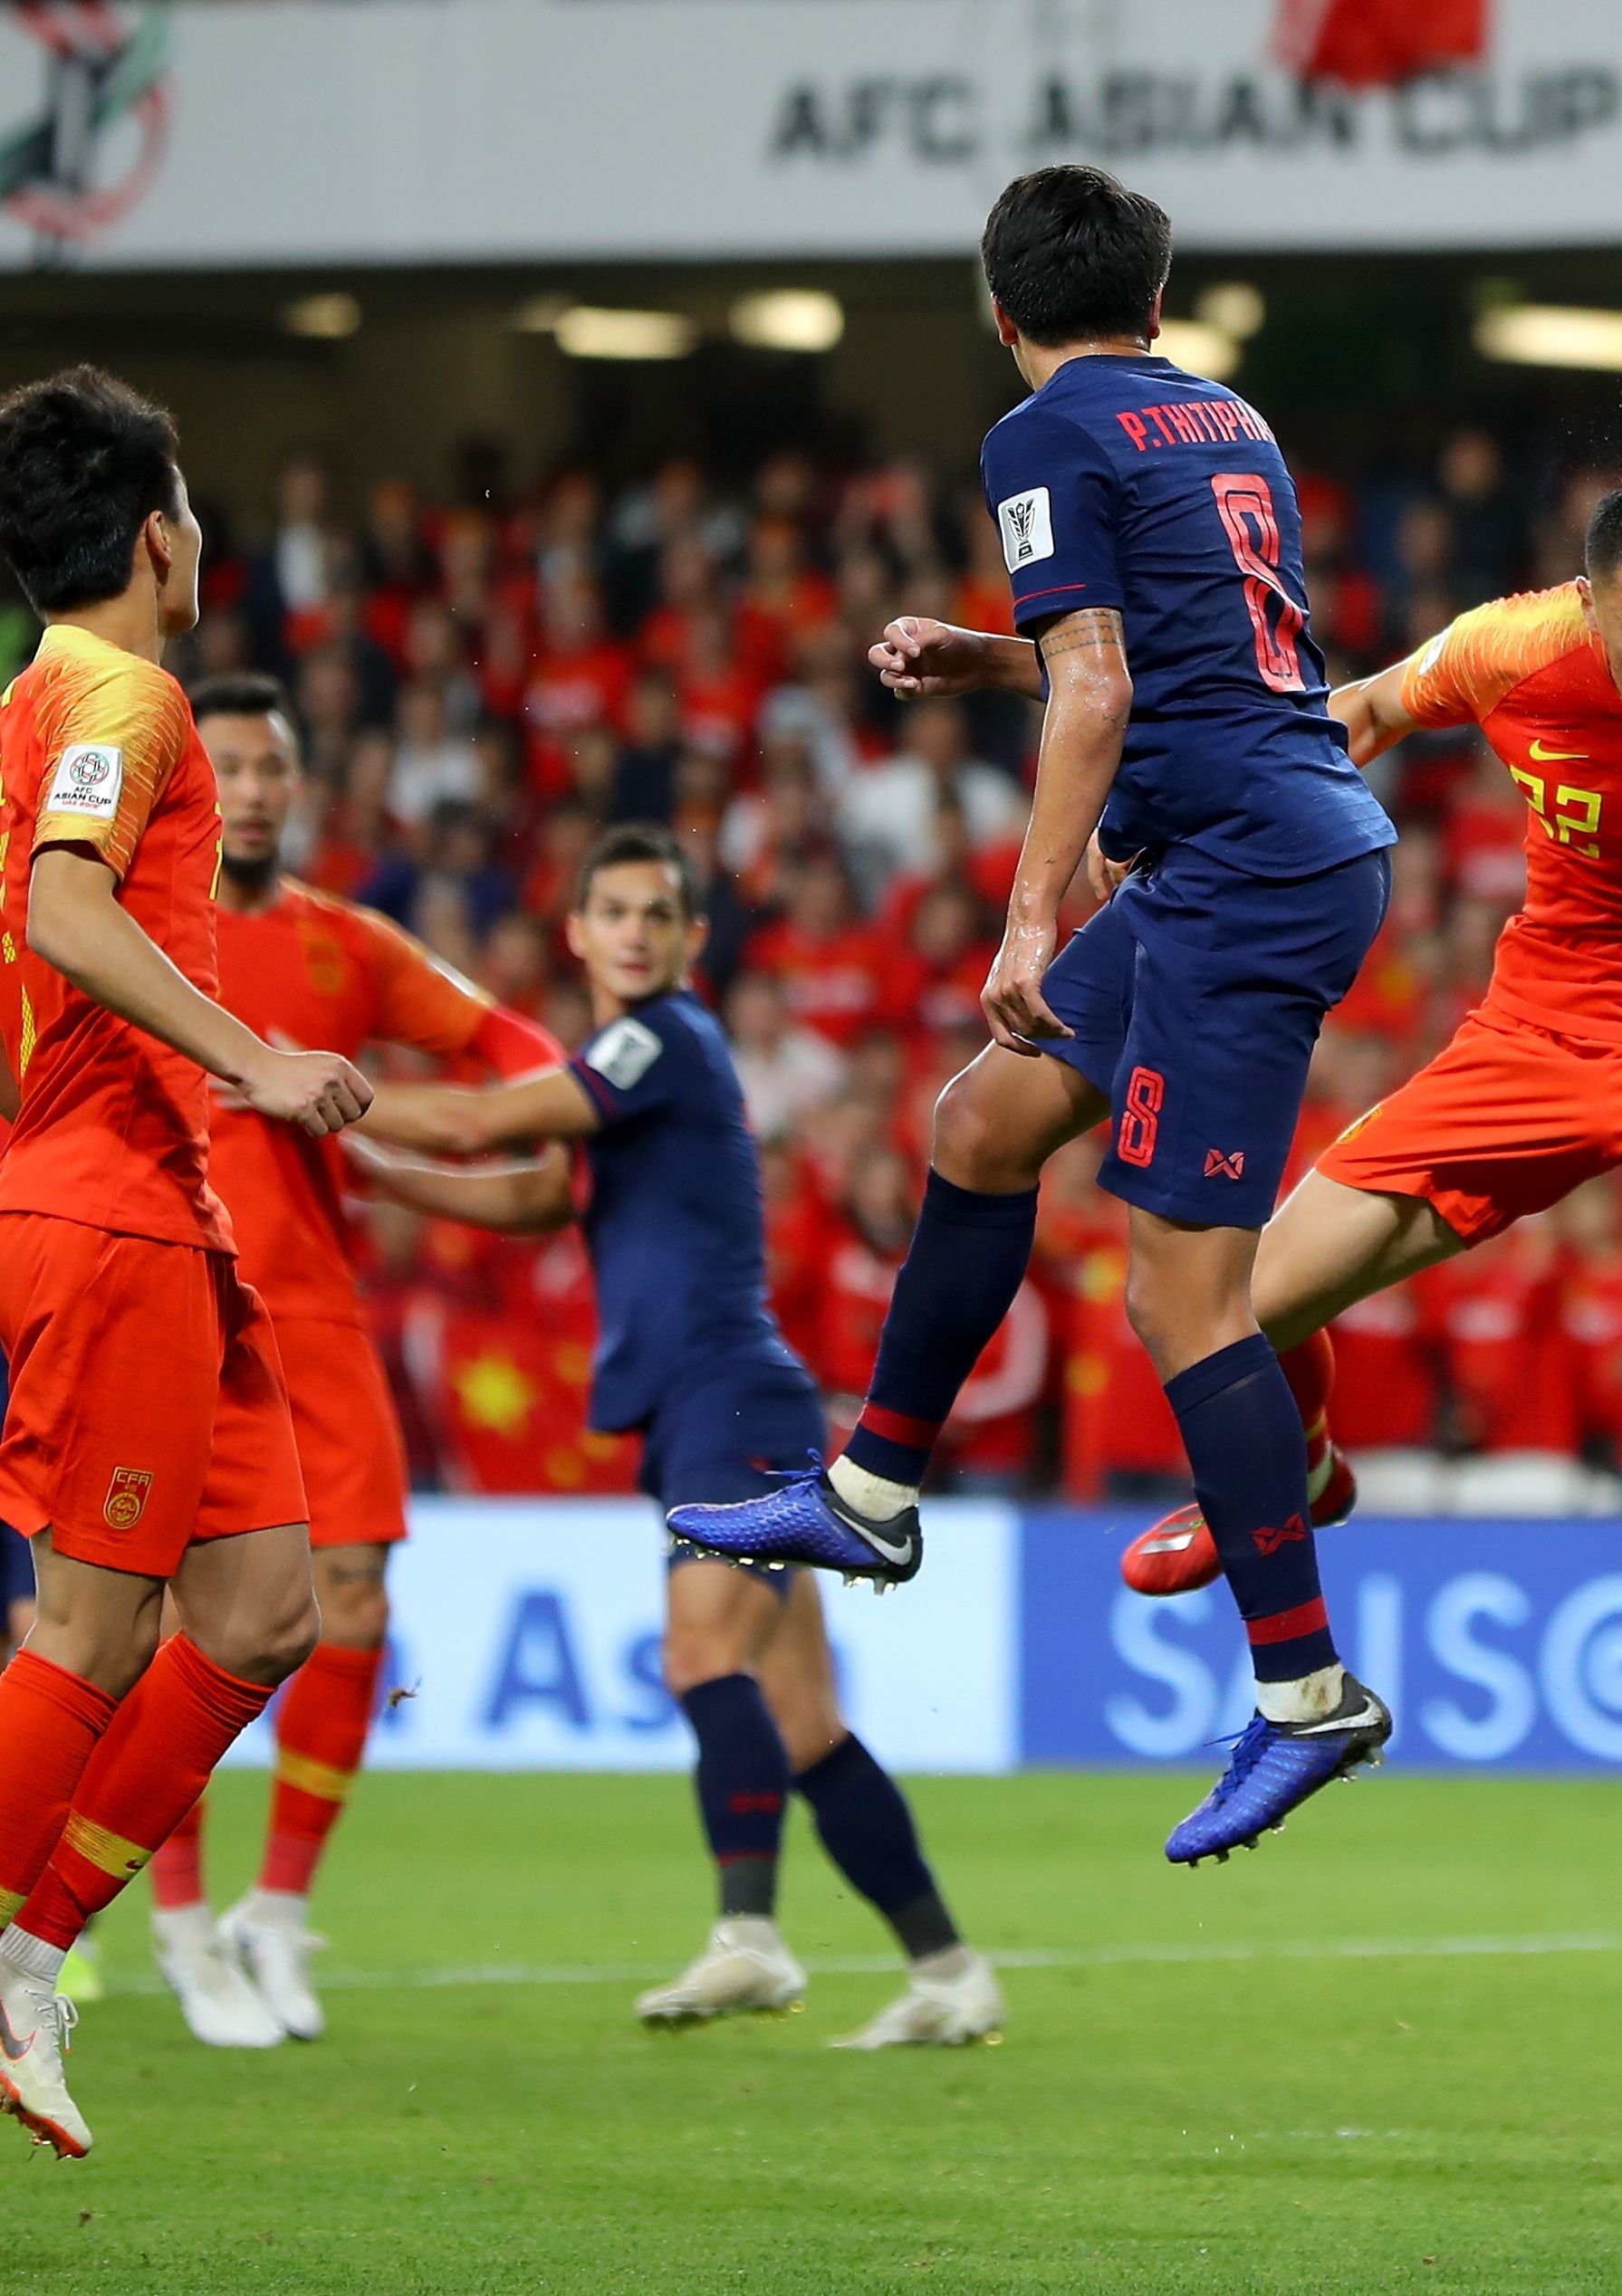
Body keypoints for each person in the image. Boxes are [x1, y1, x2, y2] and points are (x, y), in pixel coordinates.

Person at [667, 166, 1400, 1864]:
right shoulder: (1231, 421)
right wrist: (987, 657)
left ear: (999, 313)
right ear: (1157, 301)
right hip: (1263, 841)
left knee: (1177, 1291)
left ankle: (1305, 1695)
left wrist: (1026, 903)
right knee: (978, 1125)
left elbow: (1103, 677)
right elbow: (1191, 652)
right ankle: (871, 1495)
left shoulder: (1037, 436)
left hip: (1237, 876)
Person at [1109, 474, 1622, 1736]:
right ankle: (1297, 1465)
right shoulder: (1510, 646)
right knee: (1223, 1309)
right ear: (1590, 605)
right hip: (1531, 1040)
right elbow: (1365, 712)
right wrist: (1217, 815)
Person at [347, 828, 1002, 2048]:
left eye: (660, 912)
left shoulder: (662, 1040)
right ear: (576, 931)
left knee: (701, 1655)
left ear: (692, 940)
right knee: (802, 1719)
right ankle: (951, 1971)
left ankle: (749, 1936)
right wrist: (374, 1171)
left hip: (729, 1400)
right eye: (616, 910)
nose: (638, 930)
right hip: (728, 1404)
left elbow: (494, 1127)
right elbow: (540, 1194)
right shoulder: (628, 1072)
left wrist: (329, 1093)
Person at [0, 367, 377, 2160]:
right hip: (111, 1206)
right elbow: (63, 904)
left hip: (161, 1208)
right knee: (92, 1621)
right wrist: (255, 1052)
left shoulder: (46, 693)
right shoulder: (123, 690)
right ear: (160, 531)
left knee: (261, 1610)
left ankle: (35, 1946)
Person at [137, 673, 562, 2053]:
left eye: (272, 767)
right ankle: (181, 1921)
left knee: (357, 1596)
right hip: (168, 1299)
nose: (253, 788)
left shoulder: (347, 943)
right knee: (173, 1622)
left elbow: (517, 1047)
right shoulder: (134, 933)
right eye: (234, 766)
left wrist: (529, 1111)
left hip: (314, 1310)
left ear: (298, 787)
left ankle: (275, 1909)